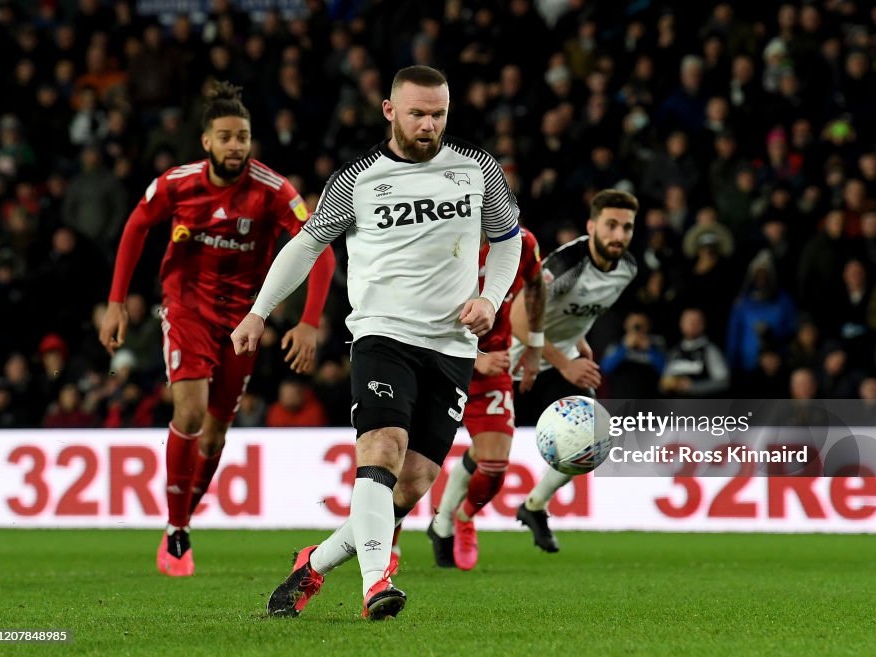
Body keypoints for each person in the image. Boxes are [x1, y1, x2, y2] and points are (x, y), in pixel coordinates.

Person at [230, 65, 522, 620]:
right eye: (417, 113)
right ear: (389, 111)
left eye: (438, 114)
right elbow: (307, 245)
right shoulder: (358, 180)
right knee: (380, 449)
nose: (429, 124)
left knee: (409, 487)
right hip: (383, 334)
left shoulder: (476, 169)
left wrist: (490, 298)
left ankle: (311, 563)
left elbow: (506, 242)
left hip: (453, 346)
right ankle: (375, 583)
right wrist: (258, 312)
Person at [99, 81, 336, 577]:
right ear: (206, 141)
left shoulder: (273, 191)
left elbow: (323, 247)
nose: (236, 145)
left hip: (242, 322)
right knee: (190, 411)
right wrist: (117, 301)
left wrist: (309, 322)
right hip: (186, 311)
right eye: (226, 137)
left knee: (216, 434)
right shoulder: (176, 184)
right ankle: (177, 529)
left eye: (243, 136)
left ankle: (184, 518)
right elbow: (136, 227)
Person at [510, 189, 639, 553]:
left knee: (593, 438)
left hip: (561, 360)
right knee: (488, 456)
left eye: (626, 227)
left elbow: (581, 310)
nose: (618, 235)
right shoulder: (566, 265)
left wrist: (577, 342)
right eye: (611, 225)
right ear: (591, 226)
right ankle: (444, 523)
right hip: (518, 359)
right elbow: (519, 320)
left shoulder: (627, 268)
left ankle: (534, 506)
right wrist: (566, 362)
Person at [426, 226, 545, 571]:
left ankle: (461, 517)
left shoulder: (522, 242)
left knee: (494, 467)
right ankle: (389, 549)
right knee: (406, 464)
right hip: (433, 359)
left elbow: (536, 287)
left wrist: (535, 347)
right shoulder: (438, 240)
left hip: (494, 363)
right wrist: (475, 358)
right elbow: (419, 310)